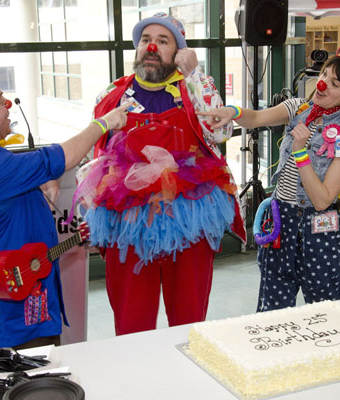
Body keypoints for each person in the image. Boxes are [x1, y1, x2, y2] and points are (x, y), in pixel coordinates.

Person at [0, 54, 129, 353]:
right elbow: (58, 158)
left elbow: (15, 182)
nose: (7, 106)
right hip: (5, 320)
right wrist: (102, 124)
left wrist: (39, 181)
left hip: (17, 305)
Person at [78, 13, 246, 335]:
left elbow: (221, 134)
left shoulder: (192, 89)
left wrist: (195, 73)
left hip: (189, 221)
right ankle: (139, 380)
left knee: (189, 320)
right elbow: (91, 153)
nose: (151, 46)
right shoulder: (110, 95)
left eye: (163, 40)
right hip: (127, 225)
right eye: (145, 40)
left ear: (178, 53)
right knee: (131, 321)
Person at [198, 29, 340, 312]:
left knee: (322, 314)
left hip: (319, 230)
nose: (322, 86)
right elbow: (257, 117)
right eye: (323, 76)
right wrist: (232, 112)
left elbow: (322, 200)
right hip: (281, 220)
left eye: (334, 84)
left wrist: (300, 152)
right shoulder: (299, 107)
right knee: (272, 310)